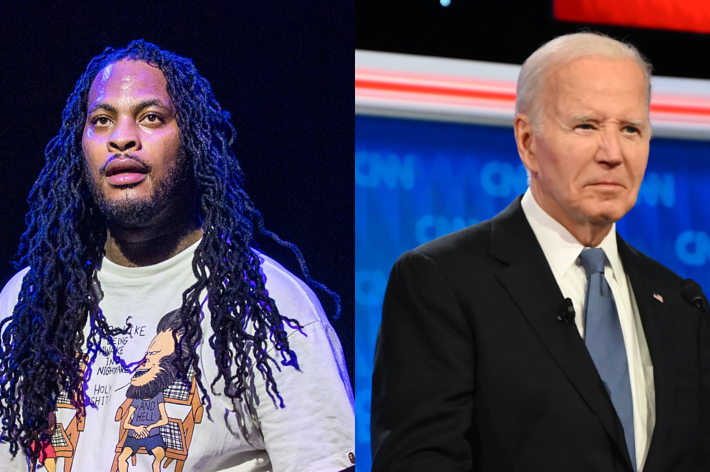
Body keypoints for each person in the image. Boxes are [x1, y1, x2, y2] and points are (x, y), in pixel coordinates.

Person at [0, 40, 354, 471]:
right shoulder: (28, 304)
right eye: (101, 120)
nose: (122, 137)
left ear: (193, 141)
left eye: (151, 117)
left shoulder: (267, 306)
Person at [370, 32, 710, 472]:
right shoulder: (442, 281)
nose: (613, 153)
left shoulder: (682, 302)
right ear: (528, 141)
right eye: (586, 126)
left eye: (631, 129)